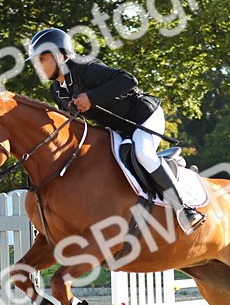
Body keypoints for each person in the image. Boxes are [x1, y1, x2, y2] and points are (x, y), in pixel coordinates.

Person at [28, 27, 205, 234]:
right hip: (116, 128)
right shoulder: (56, 91)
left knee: (143, 153)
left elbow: (128, 80)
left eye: (42, 59)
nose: (38, 66)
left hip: (143, 117)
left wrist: (92, 98)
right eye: (35, 61)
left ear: (60, 55)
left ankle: (184, 208)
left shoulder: (85, 68)